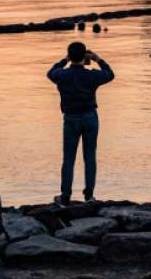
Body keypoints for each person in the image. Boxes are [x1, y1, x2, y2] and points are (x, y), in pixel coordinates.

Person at [47, 42, 115, 206]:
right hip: (90, 117)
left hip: (71, 119)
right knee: (89, 157)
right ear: (85, 56)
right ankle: (89, 196)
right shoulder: (91, 75)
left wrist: (64, 60)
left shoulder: (62, 75)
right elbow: (110, 74)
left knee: (68, 159)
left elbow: (50, 73)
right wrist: (97, 58)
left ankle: (65, 197)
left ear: (70, 56)